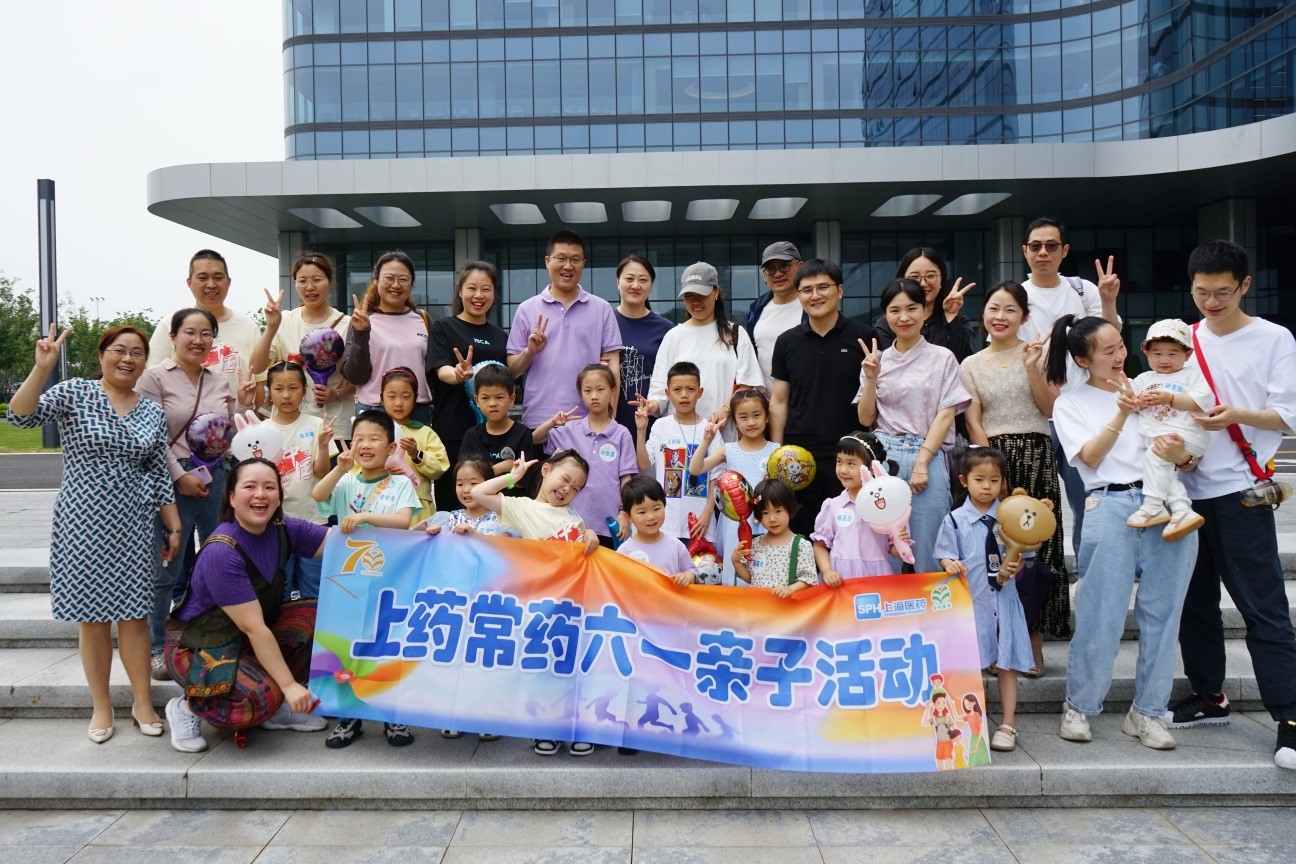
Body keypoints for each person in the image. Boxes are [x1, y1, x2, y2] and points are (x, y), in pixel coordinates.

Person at [8, 324, 182, 743]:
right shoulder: (75, 393)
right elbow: (21, 415)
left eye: (137, 352)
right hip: (82, 521)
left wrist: (174, 525)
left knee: (135, 617)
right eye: (119, 350)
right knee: (93, 618)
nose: (127, 358)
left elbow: (159, 473)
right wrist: (42, 368)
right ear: (101, 354)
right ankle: (101, 705)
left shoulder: (151, 411)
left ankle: (142, 702)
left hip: (135, 522)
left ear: (145, 361)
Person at [1169, 239, 1296, 770]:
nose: (1211, 303)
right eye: (1202, 292)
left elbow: (1287, 415)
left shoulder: (1273, 338)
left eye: (1222, 292)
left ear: (1245, 285)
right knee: (1193, 603)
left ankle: (1289, 719)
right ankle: (1208, 695)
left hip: (1242, 493)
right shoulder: (1184, 338)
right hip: (1185, 493)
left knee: (1262, 607)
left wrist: (1235, 415)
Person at [1048, 315, 1197, 751]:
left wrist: (1182, 454)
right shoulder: (1070, 402)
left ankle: (1148, 712)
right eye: (1107, 350)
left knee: (1164, 615)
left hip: (1167, 502)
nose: (1119, 355)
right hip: (1110, 503)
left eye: (1120, 345)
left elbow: (1188, 453)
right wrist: (1121, 411)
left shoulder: (1153, 387)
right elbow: (1090, 458)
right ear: (1083, 359)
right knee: (1101, 613)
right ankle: (1080, 705)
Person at [162, 458, 329, 753]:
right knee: (258, 699)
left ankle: (275, 708)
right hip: (200, 645)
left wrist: (408, 536)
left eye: (269, 487)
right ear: (231, 497)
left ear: (280, 495)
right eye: (250, 487)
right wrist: (289, 686)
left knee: (320, 617)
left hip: (246, 637)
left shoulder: (283, 528)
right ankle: (187, 708)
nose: (261, 495)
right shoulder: (222, 551)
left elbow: (342, 544)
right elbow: (254, 628)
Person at [137, 308, 255, 676]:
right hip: (172, 479)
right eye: (190, 332)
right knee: (167, 566)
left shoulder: (218, 381)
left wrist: (245, 403)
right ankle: (155, 647)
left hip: (216, 476)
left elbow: (230, 431)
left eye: (206, 333)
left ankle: (214, 637)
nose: (198, 340)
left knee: (221, 558)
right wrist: (179, 475)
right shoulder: (153, 378)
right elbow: (150, 437)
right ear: (173, 336)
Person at [961, 281, 1068, 675]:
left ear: (1024, 316)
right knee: (993, 551)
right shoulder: (971, 364)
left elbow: (1050, 408)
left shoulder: (1038, 354)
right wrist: (994, 469)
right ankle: (997, 644)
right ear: (983, 313)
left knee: (1038, 550)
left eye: (1010, 309)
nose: (1000, 316)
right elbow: (973, 419)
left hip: (1036, 455)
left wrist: (1032, 367)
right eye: (993, 308)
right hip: (992, 461)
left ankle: (1034, 647)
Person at [471, 449, 601, 756]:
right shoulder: (521, 507)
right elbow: (478, 493)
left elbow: (584, 546)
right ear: (546, 470)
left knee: (574, 667)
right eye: (565, 479)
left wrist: (591, 533)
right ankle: (546, 729)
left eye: (576, 487)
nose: (567, 489)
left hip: (575, 605)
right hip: (541, 605)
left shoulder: (574, 516)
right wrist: (512, 478)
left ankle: (578, 727)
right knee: (544, 668)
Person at [1015, 217, 1123, 558]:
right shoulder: (1017, 296)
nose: (1043, 253)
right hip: (1035, 415)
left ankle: (1088, 564)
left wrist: (1108, 300)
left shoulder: (1082, 290)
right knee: (1034, 501)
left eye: (1051, 246)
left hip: (1081, 410)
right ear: (1025, 251)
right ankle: (1043, 570)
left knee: (1086, 497)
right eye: (1035, 246)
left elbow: (1107, 338)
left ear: (1064, 251)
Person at [312, 410, 420, 748]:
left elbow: (403, 521)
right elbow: (318, 496)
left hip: (390, 580)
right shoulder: (346, 480)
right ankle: (349, 718)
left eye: (375, 438)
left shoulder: (400, 483)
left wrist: (364, 517)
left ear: (391, 447)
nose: (365, 445)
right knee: (348, 645)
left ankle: (392, 717)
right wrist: (338, 467)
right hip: (348, 580)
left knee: (386, 645)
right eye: (359, 438)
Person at [856, 279, 971, 574]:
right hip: (885, 458)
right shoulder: (876, 361)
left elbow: (946, 414)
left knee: (931, 553)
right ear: (885, 315)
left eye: (912, 308)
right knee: (884, 555)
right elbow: (866, 419)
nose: (904, 317)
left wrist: (922, 462)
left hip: (928, 454)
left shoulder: (942, 358)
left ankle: (935, 607)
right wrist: (871, 379)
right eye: (895, 310)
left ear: (924, 310)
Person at [935, 448, 1033, 753]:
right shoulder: (954, 520)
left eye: (994, 480)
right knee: (969, 663)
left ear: (1003, 482)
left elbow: (1027, 552)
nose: (987, 486)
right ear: (964, 481)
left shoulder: (1012, 516)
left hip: (1005, 602)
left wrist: (1018, 564)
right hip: (972, 604)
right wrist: (949, 563)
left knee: (1006, 663)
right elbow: (944, 553)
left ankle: (1008, 724)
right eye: (979, 479)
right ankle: (971, 722)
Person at [769, 259, 872, 535]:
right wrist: (776, 452)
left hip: (849, 455)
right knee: (803, 532)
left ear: (840, 290)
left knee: (851, 532)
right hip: (799, 458)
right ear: (799, 295)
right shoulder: (786, 341)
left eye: (823, 287)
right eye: (807, 290)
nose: (815, 296)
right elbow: (779, 401)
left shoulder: (864, 337)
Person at [507, 229, 621, 434]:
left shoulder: (601, 308)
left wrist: (610, 416)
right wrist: (529, 351)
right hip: (540, 420)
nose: (568, 266)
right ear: (547, 261)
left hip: (591, 420)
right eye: (561, 258)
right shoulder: (527, 309)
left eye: (575, 259)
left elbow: (613, 368)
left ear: (583, 264)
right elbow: (513, 371)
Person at [249, 250, 355, 446]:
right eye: (302, 281)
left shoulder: (347, 325)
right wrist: (271, 327)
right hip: (288, 426)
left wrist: (337, 394)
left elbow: (361, 380)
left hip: (334, 426)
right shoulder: (284, 321)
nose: (310, 287)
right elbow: (256, 367)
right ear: (295, 283)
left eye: (317, 280)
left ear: (330, 281)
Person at [427, 261, 510, 509]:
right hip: (453, 430)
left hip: (493, 435)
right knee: (453, 503)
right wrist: (458, 373)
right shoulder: (444, 327)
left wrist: (529, 352)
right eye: (472, 288)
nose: (478, 295)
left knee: (490, 504)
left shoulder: (500, 336)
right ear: (460, 291)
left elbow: (509, 377)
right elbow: (440, 370)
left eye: (486, 289)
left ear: (494, 294)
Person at [644, 262, 762, 431]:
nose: (696, 302)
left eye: (702, 294)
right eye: (689, 296)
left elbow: (747, 384)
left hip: (722, 431)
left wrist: (725, 410)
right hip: (679, 435)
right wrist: (652, 405)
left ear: (716, 292)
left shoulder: (734, 334)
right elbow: (660, 386)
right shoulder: (673, 336)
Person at [1124, 319, 1211, 539]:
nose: (1164, 360)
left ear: (1187, 354)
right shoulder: (1144, 379)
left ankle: (1153, 505)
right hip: (1157, 436)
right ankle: (1181, 510)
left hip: (1184, 436)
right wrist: (1139, 401)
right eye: (1157, 353)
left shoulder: (1192, 375)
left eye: (1172, 354)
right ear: (1146, 353)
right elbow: (1130, 401)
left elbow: (1199, 401)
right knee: (1162, 470)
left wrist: (1170, 398)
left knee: (1154, 460)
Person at [149, 249, 265, 404]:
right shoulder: (170, 324)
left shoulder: (248, 327)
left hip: (239, 417)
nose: (211, 285)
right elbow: (152, 379)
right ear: (189, 283)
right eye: (203, 278)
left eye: (218, 278)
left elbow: (259, 382)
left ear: (228, 282)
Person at [688, 388, 779, 585]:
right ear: (735, 422)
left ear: (767, 417)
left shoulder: (777, 451)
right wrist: (706, 441)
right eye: (743, 417)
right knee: (734, 571)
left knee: (764, 573)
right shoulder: (728, 450)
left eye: (757, 415)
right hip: (734, 523)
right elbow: (695, 469)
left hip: (766, 521)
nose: (751, 422)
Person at [547, 364, 639, 547]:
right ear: (580, 394)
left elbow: (626, 479)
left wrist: (624, 512)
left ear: (613, 391)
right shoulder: (569, 430)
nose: (594, 396)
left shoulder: (622, 434)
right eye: (587, 391)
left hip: (609, 524)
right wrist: (552, 422)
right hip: (571, 522)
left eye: (600, 389)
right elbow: (534, 439)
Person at [263, 361, 333, 599]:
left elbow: (322, 473)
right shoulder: (261, 431)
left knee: (314, 587)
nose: (286, 395)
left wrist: (322, 446)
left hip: (313, 518)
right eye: (279, 388)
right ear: (269, 392)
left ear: (304, 390)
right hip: (274, 522)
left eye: (293, 388)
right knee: (278, 588)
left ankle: (312, 624)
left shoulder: (316, 425)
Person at [635, 361, 721, 547]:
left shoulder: (709, 429)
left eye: (690, 389)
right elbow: (644, 464)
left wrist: (707, 514)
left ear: (700, 392)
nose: (684, 395)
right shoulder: (660, 426)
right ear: (667, 393)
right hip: (667, 522)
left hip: (700, 524)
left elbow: (716, 477)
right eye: (677, 389)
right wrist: (641, 431)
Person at [340, 250, 433, 422]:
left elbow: (432, 369)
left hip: (417, 410)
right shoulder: (363, 319)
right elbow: (354, 376)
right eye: (389, 278)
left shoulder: (422, 318)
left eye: (403, 279)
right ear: (376, 280)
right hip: (374, 410)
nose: (396, 285)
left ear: (411, 284)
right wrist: (361, 333)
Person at [460, 363, 565, 496]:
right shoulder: (471, 436)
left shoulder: (523, 434)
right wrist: (504, 466)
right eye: (485, 398)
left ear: (512, 399)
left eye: (499, 397)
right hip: (479, 503)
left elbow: (523, 481)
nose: (492, 403)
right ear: (477, 400)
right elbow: (467, 477)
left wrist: (486, 473)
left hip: (513, 503)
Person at [811, 432, 898, 585]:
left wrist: (901, 538)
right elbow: (820, 545)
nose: (843, 470)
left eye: (851, 463)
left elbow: (896, 552)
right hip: (839, 580)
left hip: (876, 579)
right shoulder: (833, 505)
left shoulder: (884, 507)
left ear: (872, 468)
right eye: (839, 461)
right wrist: (827, 570)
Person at [873, 247, 977, 362]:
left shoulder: (959, 321)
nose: (923, 283)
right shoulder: (888, 324)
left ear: (942, 279)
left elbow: (966, 362)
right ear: (901, 280)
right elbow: (888, 364)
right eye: (914, 277)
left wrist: (951, 318)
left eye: (930, 276)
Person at [379, 366, 450, 524]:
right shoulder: (374, 432)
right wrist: (381, 471)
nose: (399, 403)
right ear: (382, 399)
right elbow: (357, 469)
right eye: (391, 397)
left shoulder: (425, 432)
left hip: (418, 507)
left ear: (415, 398)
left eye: (406, 397)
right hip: (382, 506)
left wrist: (417, 454)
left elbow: (440, 467)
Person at [613, 254, 675, 435]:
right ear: (618, 282)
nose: (635, 285)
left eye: (643, 280)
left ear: (651, 285)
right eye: (629, 279)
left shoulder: (666, 329)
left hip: (653, 421)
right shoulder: (604, 323)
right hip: (611, 421)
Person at [731, 478, 819, 597]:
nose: (772, 519)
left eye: (778, 511)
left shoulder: (801, 545)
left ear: (789, 509)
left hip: (786, 606)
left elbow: (809, 579)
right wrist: (736, 561)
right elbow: (750, 578)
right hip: (758, 605)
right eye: (765, 513)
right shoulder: (754, 544)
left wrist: (790, 589)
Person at [743, 241, 806, 390]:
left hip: (805, 399)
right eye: (770, 269)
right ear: (764, 275)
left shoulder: (813, 306)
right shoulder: (755, 311)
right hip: (766, 401)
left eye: (784, 266)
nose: (777, 274)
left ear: (801, 266)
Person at [616, 476, 698, 587]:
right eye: (642, 512)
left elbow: (692, 570)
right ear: (628, 516)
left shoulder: (675, 545)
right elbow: (618, 584)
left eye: (656, 509)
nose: (651, 517)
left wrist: (686, 577)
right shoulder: (624, 551)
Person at [420, 457, 503, 537]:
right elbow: (414, 534)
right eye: (460, 484)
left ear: (490, 484)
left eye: (473, 483)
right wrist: (433, 533)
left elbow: (503, 544)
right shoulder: (449, 519)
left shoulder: (501, 519)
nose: (466, 490)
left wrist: (475, 534)